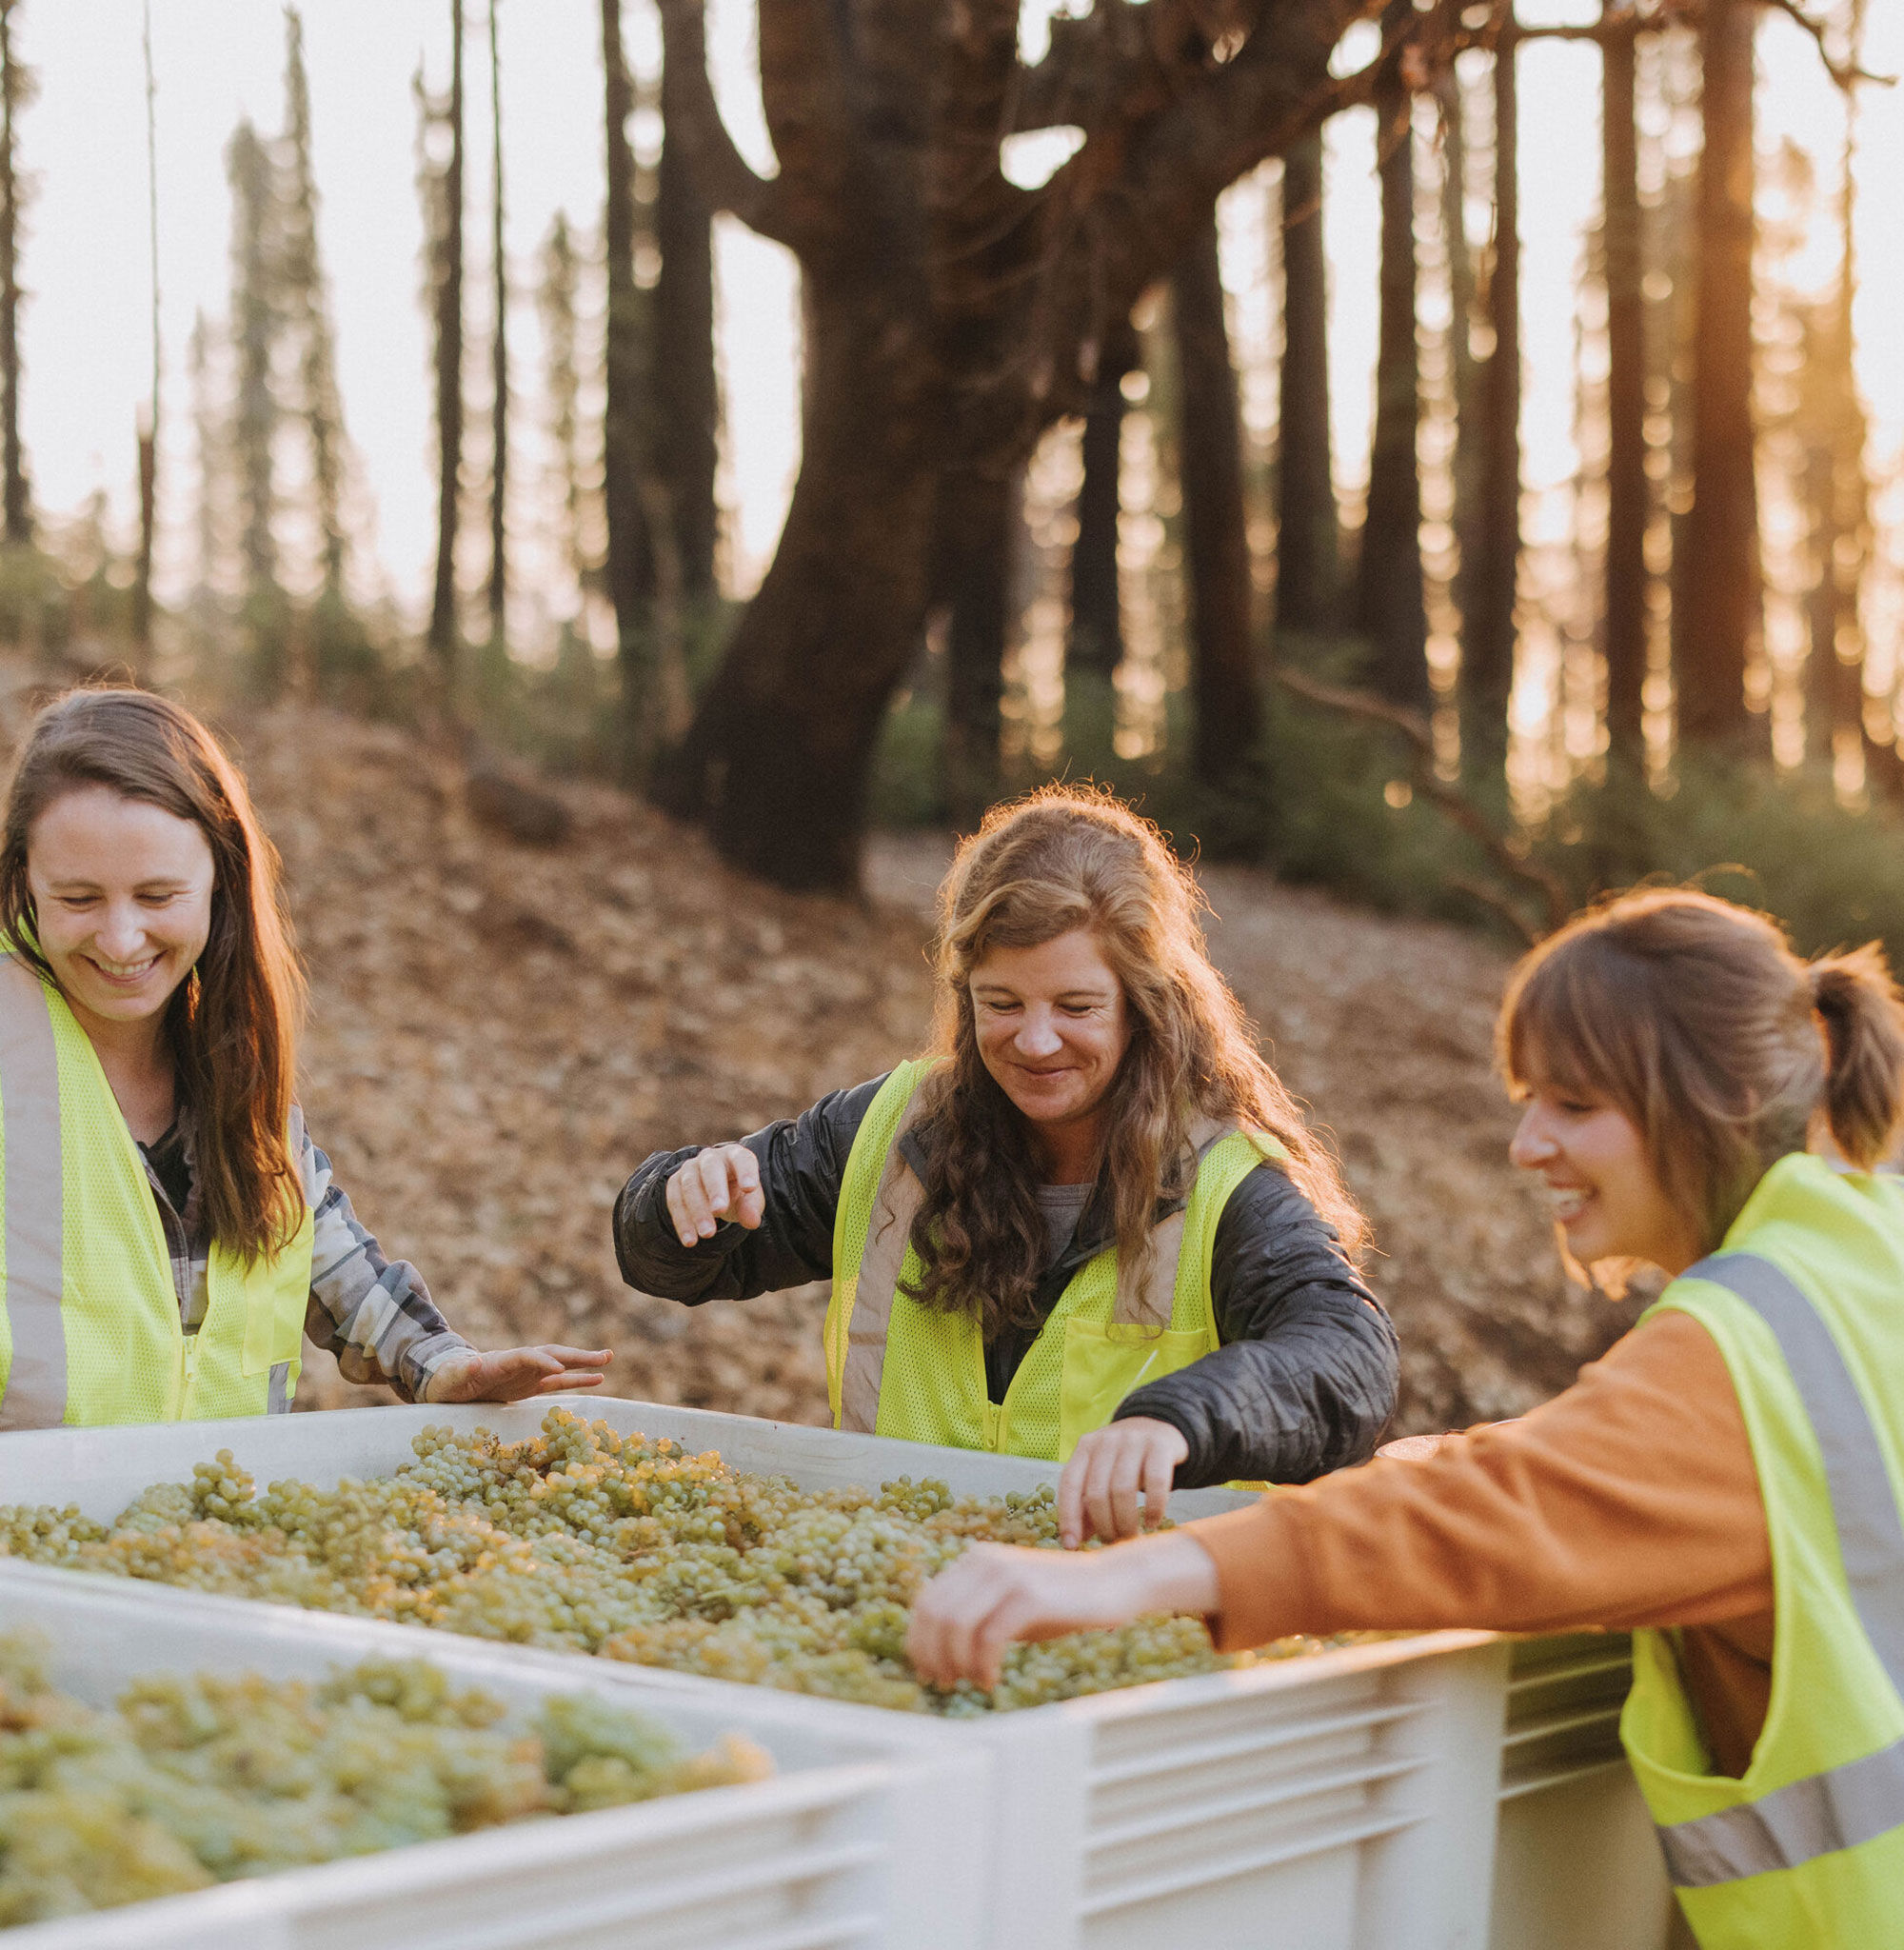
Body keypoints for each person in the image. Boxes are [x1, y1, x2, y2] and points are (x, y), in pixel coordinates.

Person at [908, 886, 1904, 1946]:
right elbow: (1623, 1472)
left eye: (1573, 1104)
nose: (1525, 1145)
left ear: (1721, 1096)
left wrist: (1124, 1574)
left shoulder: (1745, 1342)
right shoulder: (1855, 1255)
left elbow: (1507, 1508)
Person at [615, 785, 1397, 1543]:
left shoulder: (1229, 1183)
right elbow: (663, 1262)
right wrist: (680, 1200)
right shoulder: (891, 1127)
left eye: (1076, 1006)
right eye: (1002, 1003)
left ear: (1146, 1002)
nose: (1035, 1041)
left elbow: (1350, 1365)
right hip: (887, 1599)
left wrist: (1179, 1419)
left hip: (1125, 1631)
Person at [0, 686, 613, 1432]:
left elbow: (321, 1252)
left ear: (220, 883)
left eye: (158, 894)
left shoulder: (228, 1058)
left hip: (217, 1532)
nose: (121, 938)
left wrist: (443, 1365)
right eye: (78, 898)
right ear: (25, 885)